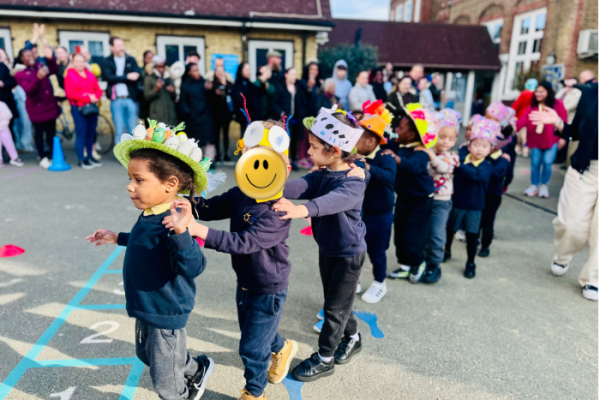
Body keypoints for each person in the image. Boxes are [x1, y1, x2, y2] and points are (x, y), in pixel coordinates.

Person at [169, 120, 298, 400]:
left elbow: (244, 243)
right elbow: (213, 207)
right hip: (246, 280)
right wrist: (186, 202)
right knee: (254, 332)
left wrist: (198, 230)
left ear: (282, 170)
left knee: (251, 346)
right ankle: (282, 347)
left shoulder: (277, 210)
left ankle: (254, 392)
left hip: (269, 287)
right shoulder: (243, 192)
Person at [86, 130, 214, 400]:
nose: (130, 186)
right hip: (147, 305)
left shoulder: (175, 222)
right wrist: (117, 237)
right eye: (130, 179)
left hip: (165, 310)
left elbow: (194, 266)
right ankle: (197, 369)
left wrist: (181, 233)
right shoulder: (151, 212)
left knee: (166, 381)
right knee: (147, 354)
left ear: (170, 184)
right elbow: (145, 242)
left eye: (139, 179)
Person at [274, 108, 367, 382]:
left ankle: (325, 358)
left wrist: (300, 210)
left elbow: (331, 202)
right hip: (328, 248)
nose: (309, 151)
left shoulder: (353, 181)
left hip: (348, 255)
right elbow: (299, 186)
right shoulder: (321, 174)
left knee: (335, 308)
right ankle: (353, 337)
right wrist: (269, 186)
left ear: (335, 150)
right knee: (336, 302)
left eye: (314, 147)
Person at [529, 81, 598, 301]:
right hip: (585, 167)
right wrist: (558, 122)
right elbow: (575, 131)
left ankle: (594, 277)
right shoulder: (590, 94)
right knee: (571, 224)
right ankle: (563, 255)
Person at [383, 104, 436, 283]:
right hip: (404, 197)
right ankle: (405, 266)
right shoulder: (398, 143)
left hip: (420, 200)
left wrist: (397, 159)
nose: (396, 130)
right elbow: (384, 142)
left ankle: (418, 262)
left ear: (411, 135)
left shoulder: (419, 151)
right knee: (400, 233)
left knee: (414, 235)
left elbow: (414, 166)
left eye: (400, 128)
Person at [353, 106, 396, 303]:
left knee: (377, 251)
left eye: (356, 138)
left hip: (381, 215)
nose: (352, 142)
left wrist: (369, 166)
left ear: (370, 141)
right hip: (361, 212)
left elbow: (389, 177)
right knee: (357, 249)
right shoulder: (355, 156)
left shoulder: (385, 156)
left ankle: (380, 283)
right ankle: (355, 280)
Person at [444, 118, 496, 278]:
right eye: (476, 145)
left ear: (490, 149)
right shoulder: (461, 160)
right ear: (469, 146)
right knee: (450, 229)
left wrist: (459, 165)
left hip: (475, 206)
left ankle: (470, 262)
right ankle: (446, 250)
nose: (480, 149)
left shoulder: (486, 166)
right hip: (457, 202)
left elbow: (477, 176)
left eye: (485, 146)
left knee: (472, 235)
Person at [422, 109, 461, 283]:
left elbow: (443, 168)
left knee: (437, 233)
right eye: (442, 136)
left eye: (451, 138)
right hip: (425, 198)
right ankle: (422, 259)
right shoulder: (427, 151)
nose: (446, 141)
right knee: (424, 231)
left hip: (441, 200)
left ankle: (434, 264)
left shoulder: (451, 157)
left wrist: (430, 155)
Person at [516, 81, 567, 198]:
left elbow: (563, 120)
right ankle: (534, 185)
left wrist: (563, 138)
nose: (538, 94)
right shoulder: (533, 105)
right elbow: (523, 119)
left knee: (547, 163)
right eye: (536, 92)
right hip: (534, 140)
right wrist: (513, 128)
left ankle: (544, 185)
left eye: (541, 92)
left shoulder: (557, 104)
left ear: (548, 92)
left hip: (551, 139)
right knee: (535, 164)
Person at [14, 46, 61, 168]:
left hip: (49, 106)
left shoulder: (40, 66)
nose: (31, 57)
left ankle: (53, 154)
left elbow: (54, 70)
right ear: (22, 59)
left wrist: (51, 59)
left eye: (32, 55)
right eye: (27, 56)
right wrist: (38, 78)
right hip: (36, 109)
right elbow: (29, 90)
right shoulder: (20, 74)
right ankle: (42, 156)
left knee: (51, 133)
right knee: (39, 134)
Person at [64, 52, 103, 169]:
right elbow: (71, 94)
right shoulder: (70, 75)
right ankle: (81, 159)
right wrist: (88, 98)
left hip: (92, 108)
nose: (80, 64)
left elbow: (98, 89)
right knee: (81, 134)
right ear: (73, 62)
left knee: (91, 133)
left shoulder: (90, 74)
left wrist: (96, 97)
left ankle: (90, 157)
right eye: (77, 61)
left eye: (82, 61)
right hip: (79, 109)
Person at [102, 36, 141, 143]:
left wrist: (118, 78)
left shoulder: (131, 60)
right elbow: (108, 77)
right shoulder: (107, 61)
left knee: (133, 130)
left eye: (122, 45)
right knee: (119, 131)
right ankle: (120, 152)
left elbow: (138, 75)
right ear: (112, 47)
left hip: (131, 99)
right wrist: (127, 76)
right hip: (116, 99)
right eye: (118, 46)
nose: (122, 48)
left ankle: (133, 152)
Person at [271, 67, 305, 167]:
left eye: (295, 74)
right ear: (286, 75)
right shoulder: (280, 87)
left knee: (294, 139)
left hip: (296, 118)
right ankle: (282, 160)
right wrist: (281, 112)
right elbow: (274, 103)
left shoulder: (298, 87)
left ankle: (293, 160)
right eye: (292, 74)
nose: (294, 77)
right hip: (284, 119)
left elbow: (302, 103)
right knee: (282, 139)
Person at [11, 50, 35, 153]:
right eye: (27, 55)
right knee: (18, 123)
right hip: (16, 97)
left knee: (26, 122)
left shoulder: (32, 68)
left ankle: (25, 144)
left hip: (24, 97)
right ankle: (20, 145)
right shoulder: (17, 68)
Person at [297, 62, 321, 168]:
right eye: (312, 69)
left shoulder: (318, 84)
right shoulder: (302, 83)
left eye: (316, 69)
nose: (314, 72)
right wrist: (309, 88)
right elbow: (302, 100)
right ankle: (301, 158)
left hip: (315, 114)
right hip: (304, 114)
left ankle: (308, 156)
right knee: (303, 136)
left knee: (311, 138)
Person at [144, 55, 177, 126]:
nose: (161, 69)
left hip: (170, 115)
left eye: (163, 67)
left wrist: (173, 91)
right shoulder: (149, 79)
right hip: (157, 115)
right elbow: (146, 96)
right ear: (154, 67)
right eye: (159, 67)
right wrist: (156, 89)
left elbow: (175, 97)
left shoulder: (168, 78)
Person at [555, 80, 582, 167]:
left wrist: (559, 110)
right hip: (558, 118)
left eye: (571, 85)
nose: (569, 87)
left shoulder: (578, 94)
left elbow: (570, 106)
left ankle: (563, 160)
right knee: (557, 137)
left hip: (568, 119)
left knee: (565, 139)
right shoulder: (563, 91)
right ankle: (557, 156)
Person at [211, 65, 233, 162]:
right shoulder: (212, 84)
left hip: (226, 114)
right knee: (216, 134)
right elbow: (209, 96)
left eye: (222, 71)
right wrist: (215, 92)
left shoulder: (229, 83)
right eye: (218, 71)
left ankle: (226, 153)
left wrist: (225, 84)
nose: (220, 73)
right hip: (215, 114)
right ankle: (217, 153)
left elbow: (232, 93)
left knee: (226, 134)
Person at [231, 62, 262, 133]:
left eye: (250, 70)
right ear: (241, 71)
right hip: (243, 120)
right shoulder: (236, 87)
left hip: (254, 120)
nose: (249, 72)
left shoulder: (252, 86)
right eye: (247, 70)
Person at [511, 78, 537, 156]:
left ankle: (520, 148)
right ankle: (526, 149)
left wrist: (511, 113)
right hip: (532, 118)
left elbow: (516, 105)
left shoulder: (524, 94)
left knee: (520, 134)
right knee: (528, 134)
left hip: (521, 117)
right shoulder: (537, 95)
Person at [0, 101, 24, 167]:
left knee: (9, 143)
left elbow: (9, 115)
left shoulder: (2, 104)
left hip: (4, 128)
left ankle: (14, 158)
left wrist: (2, 118)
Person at [138, 50, 155, 122]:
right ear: (144, 59)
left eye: (152, 58)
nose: (151, 60)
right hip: (145, 103)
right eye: (148, 58)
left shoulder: (156, 71)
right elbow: (138, 86)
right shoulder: (141, 72)